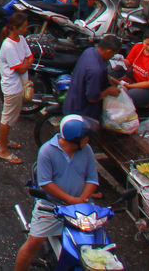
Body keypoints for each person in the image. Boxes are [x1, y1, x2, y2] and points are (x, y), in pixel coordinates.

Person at [14, 115, 100, 271]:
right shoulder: (47, 151)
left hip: (79, 206)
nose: (88, 140)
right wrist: (70, 199)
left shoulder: (87, 150)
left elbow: (92, 180)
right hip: (51, 205)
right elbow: (46, 183)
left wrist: (81, 199)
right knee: (33, 244)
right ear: (76, 140)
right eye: (86, 137)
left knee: (95, 243)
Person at [0, 12, 33, 164]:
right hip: (12, 88)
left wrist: (25, 64)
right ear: (14, 27)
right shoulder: (8, 46)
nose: (26, 29)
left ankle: (3, 141)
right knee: (7, 119)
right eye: (24, 27)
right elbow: (21, 68)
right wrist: (25, 64)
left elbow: (29, 57)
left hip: (19, 85)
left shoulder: (21, 39)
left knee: (11, 117)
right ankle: (3, 150)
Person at [62, 34, 121, 121]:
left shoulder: (89, 51)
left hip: (72, 101)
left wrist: (110, 79)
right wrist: (108, 91)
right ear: (108, 51)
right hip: (82, 113)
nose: (112, 57)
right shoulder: (96, 70)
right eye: (113, 54)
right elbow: (92, 98)